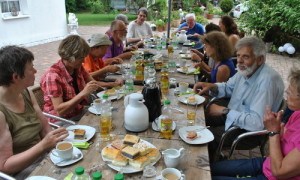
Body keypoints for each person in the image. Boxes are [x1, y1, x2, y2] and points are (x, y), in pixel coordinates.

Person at [193, 36, 284, 161]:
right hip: (234, 116)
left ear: (260, 59)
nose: (239, 61)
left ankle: (211, 165)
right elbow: (229, 87)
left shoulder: (267, 82)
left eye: (246, 56)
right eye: (239, 55)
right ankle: (213, 154)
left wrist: (225, 111)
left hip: (247, 132)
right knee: (197, 115)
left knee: (203, 136)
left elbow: (257, 123)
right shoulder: (246, 70)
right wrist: (211, 86)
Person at [211, 68, 300, 180]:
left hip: (273, 175)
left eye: (291, 92)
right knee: (208, 170)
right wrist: (278, 128)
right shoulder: (297, 114)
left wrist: (273, 132)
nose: (286, 92)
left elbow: (279, 172)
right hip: (265, 164)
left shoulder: (266, 83)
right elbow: (286, 139)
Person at [0, 46, 68, 175]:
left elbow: (45, 128)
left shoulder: (25, 92)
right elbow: (4, 166)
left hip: (44, 157)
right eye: (31, 68)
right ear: (16, 77)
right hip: (23, 171)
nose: (36, 71)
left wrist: (54, 145)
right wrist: (43, 146)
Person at [40, 35, 123, 122]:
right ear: (70, 57)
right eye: (81, 58)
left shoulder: (77, 67)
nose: (83, 61)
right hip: (62, 120)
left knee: (110, 117)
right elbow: (60, 111)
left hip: (77, 111)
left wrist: (112, 85)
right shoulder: (53, 76)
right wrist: (83, 93)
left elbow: (93, 83)